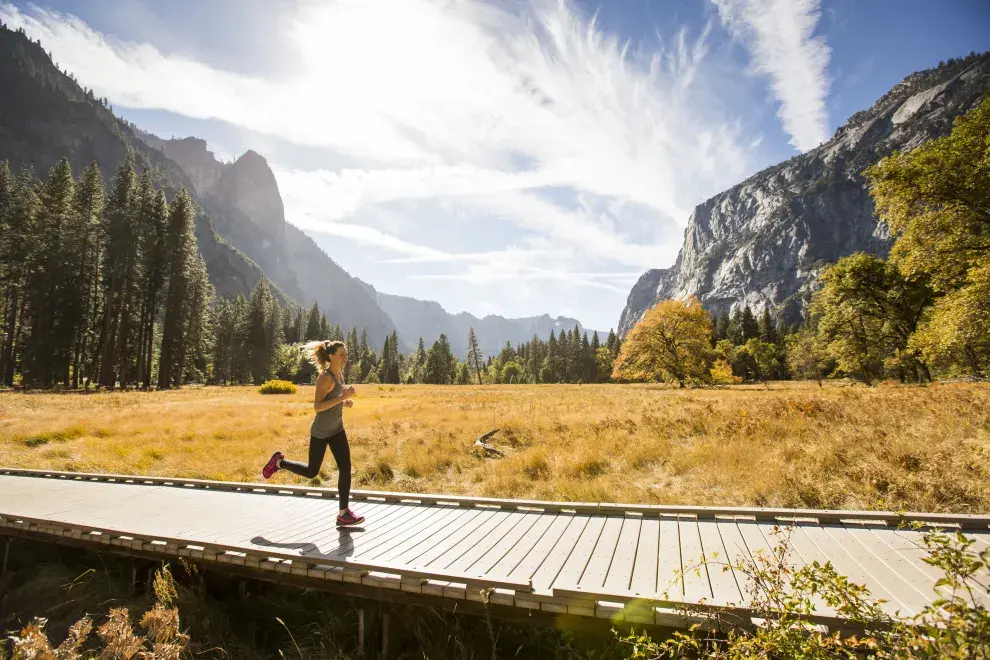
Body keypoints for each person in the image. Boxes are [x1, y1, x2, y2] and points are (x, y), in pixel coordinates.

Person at [262, 339, 365, 527]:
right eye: (341, 353)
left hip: (337, 429)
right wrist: (342, 397)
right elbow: (318, 407)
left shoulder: (339, 375)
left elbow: (332, 400)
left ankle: (344, 513)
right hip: (321, 432)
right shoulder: (325, 377)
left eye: (346, 353)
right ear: (331, 356)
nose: (345, 356)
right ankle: (279, 462)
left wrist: (344, 403)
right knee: (311, 472)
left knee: (346, 468)